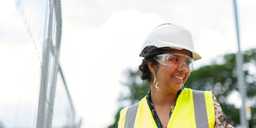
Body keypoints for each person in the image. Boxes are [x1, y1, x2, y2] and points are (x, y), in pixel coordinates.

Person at [118, 23, 234, 128]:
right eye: (174, 59)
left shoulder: (206, 103)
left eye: (187, 62)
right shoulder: (128, 117)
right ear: (152, 65)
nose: (183, 69)